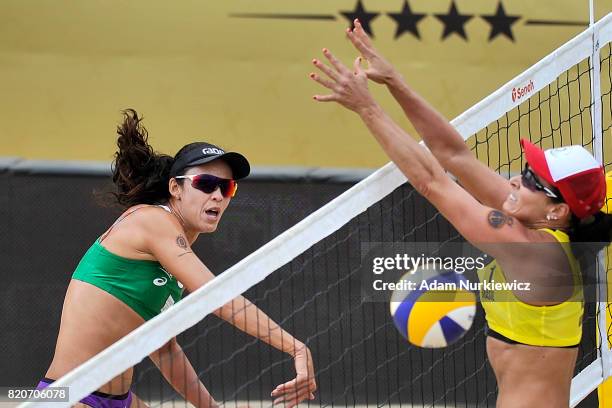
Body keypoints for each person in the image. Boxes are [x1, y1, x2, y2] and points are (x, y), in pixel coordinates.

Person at [310, 19, 609, 407]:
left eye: (535, 180)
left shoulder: (534, 253)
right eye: (527, 169)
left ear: (557, 210)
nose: (518, 179)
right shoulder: (541, 226)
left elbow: (432, 182)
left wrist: (367, 107)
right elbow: (454, 155)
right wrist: (395, 81)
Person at [37, 109, 316, 408]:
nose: (218, 195)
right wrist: (296, 348)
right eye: (206, 184)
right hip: (67, 396)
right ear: (175, 188)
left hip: (120, 400)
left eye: (227, 187)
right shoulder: (152, 220)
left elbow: (164, 349)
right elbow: (216, 296)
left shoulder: (170, 261)